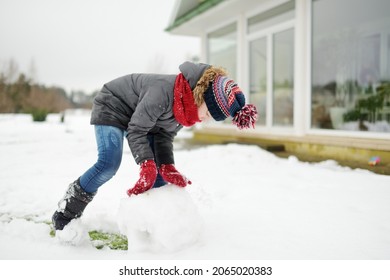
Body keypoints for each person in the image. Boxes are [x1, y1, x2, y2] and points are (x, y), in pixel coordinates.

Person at [52, 61, 258, 231]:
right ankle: (67, 210)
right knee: (108, 164)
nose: (206, 119)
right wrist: (146, 164)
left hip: (140, 117)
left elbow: (163, 136)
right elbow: (137, 130)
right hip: (113, 105)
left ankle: (155, 227)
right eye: (209, 113)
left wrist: (167, 166)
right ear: (202, 97)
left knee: (159, 175)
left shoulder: (185, 110)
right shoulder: (164, 92)